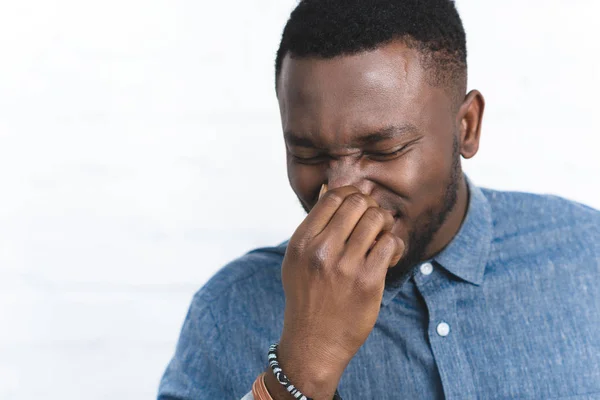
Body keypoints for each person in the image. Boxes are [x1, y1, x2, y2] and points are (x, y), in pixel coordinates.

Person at [157, 0, 600, 399]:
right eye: (308, 155)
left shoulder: (588, 256)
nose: (345, 189)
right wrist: (302, 370)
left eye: (384, 151)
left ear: (466, 126)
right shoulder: (228, 313)